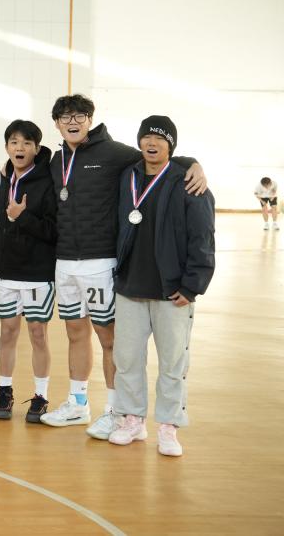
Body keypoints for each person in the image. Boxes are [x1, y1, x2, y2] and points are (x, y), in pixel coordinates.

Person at [40, 95, 206, 440]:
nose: (73, 122)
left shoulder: (115, 153)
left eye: (80, 116)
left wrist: (194, 163)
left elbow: (159, 159)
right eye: (65, 117)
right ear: (56, 123)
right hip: (65, 261)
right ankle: (78, 402)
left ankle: (117, 412)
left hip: (101, 261)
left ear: (90, 119)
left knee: (110, 340)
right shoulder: (56, 160)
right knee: (75, 333)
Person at [108, 116, 215, 456]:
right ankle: (132, 420)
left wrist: (193, 285)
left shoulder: (188, 181)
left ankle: (168, 426)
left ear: (171, 145)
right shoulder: (127, 175)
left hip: (172, 292)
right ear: (139, 141)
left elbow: (203, 236)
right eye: (147, 137)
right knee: (127, 359)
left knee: (172, 363)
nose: (152, 143)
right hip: (130, 286)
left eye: (160, 139)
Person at [0, 120, 57, 422]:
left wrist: (23, 216)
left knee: (38, 334)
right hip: (6, 270)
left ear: (37, 148)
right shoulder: (2, 177)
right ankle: (4, 391)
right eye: (14, 142)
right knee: (7, 332)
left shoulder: (48, 181)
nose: (20, 148)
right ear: (7, 147)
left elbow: (53, 230)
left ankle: (41, 396)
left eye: (27, 143)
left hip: (38, 272)